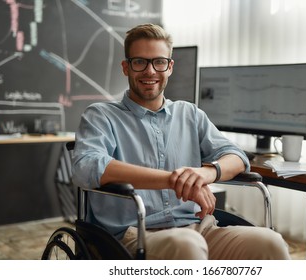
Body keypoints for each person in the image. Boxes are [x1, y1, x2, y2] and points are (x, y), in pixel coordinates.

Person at [72, 23, 290, 260]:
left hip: (199, 228)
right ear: (126, 67)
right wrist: (175, 180)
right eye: (139, 62)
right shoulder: (101, 115)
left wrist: (205, 175)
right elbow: (87, 166)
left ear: (170, 67)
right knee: (187, 245)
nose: (150, 71)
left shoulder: (190, 114)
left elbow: (235, 156)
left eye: (159, 62)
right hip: (132, 234)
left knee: (271, 243)